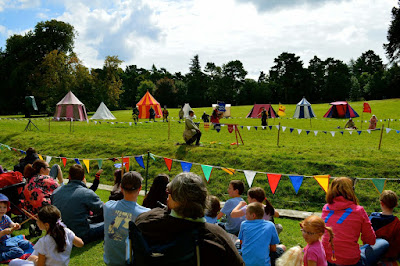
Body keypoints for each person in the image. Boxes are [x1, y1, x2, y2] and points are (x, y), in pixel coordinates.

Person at [135, 172, 244, 265]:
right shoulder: (218, 237)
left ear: (175, 199)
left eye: (169, 193)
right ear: (204, 199)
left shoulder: (146, 221)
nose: (167, 197)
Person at [322, 177, 389, 266]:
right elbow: (371, 240)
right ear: (351, 190)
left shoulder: (326, 208)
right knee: (383, 243)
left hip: (327, 259)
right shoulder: (358, 210)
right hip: (351, 261)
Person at [9, 205, 84, 266]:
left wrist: (34, 259)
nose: (37, 222)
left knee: (13, 262)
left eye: (38, 220)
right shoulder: (66, 231)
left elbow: (40, 265)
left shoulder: (44, 241)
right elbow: (80, 244)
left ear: (46, 225)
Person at [103, 171, 150, 266]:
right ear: (140, 188)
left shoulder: (108, 206)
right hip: (129, 262)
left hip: (109, 261)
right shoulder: (145, 214)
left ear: (121, 188)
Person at [51, 164, 104, 244]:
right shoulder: (86, 193)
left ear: (69, 176)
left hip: (59, 233)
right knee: (110, 223)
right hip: (80, 235)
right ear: (83, 177)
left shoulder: (56, 192)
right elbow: (103, 210)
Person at [369, 190, 400, 261]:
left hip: (371, 254)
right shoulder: (397, 223)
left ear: (381, 203)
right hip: (388, 256)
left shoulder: (371, 218)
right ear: (396, 205)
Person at [0, 194, 31, 262]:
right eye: (0, 207)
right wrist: (3, 232)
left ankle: (13, 247)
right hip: (1, 243)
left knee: (26, 244)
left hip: (9, 240)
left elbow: (11, 224)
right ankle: (2, 256)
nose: (2, 209)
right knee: (19, 252)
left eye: (4, 207)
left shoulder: (5, 217)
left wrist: (15, 225)